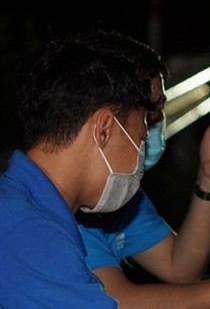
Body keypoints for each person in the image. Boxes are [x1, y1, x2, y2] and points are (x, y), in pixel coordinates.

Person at [74, 29, 210, 308]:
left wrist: (208, 178)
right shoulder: (60, 206)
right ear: (105, 125)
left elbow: (180, 269)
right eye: (150, 115)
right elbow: (117, 302)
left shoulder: (116, 196)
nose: (156, 126)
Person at [0, 32, 151, 307]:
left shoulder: (23, 209)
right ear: (104, 129)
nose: (141, 159)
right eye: (141, 140)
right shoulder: (31, 235)